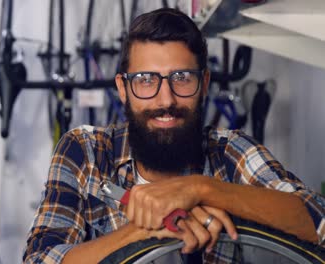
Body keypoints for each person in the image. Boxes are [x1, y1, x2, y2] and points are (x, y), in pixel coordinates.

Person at [23, 7, 324, 264]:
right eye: (145, 80)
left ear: (204, 83)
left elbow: (318, 222)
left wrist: (202, 189)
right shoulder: (86, 152)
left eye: (182, 78)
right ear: (122, 89)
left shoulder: (230, 150)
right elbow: (42, 259)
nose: (165, 100)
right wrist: (144, 232)